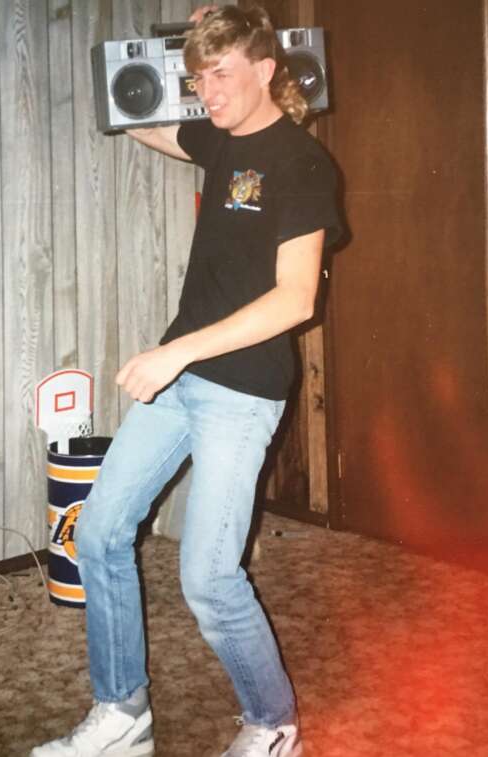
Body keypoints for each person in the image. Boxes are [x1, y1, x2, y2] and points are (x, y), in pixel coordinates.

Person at [31, 5, 341, 757]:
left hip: (242, 389)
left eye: (223, 73)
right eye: (198, 77)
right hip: (183, 376)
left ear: (268, 68)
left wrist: (175, 353)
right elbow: (143, 120)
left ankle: (272, 723)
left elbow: (296, 299)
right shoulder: (217, 139)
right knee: (99, 532)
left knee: (207, 578)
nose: (209, 91)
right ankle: (122, 711)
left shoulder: (305, 164)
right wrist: (163, 58)